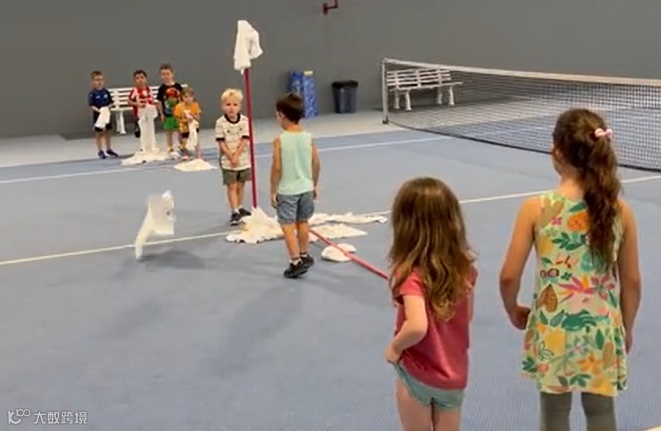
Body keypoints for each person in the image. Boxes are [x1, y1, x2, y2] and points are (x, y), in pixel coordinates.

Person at [499, 108, 641, 431]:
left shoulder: (535, 209)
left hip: (554, 328)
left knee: (554, 413)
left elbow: (508, 276)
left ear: (556, 152)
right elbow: (632, 281)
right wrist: (626, 327)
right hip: (600, 328)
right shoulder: (621, 212)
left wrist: (513, 309)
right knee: (601, 413)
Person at [384, 176, 476, 431]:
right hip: (453, 374)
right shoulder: (465, 270)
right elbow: (467, 316)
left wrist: (395, 347)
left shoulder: (410, 276)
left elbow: (417, 326)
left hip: (419, 372)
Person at [270, 93, 320, 279]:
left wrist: (273, 190)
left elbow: (277, 167)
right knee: (303, 221)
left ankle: (295, 261)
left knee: (288, 226)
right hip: (306, 188)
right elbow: (316, 163)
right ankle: (305, 254)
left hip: (288, 190)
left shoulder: (280, 140)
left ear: (282, 115)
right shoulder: (308, 137)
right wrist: (314, 184)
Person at [215, 89, 252, 225]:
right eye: (228, 104)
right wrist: (231, 157)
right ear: (223, 106)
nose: (231, 108)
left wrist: (237, 155)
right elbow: (221, 142)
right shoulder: (220, 123)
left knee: (241, 185)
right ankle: (234, 211)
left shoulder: (244, 121)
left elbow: (245, 139)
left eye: (235, 105)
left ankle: (240, 206)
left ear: (239, 106)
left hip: (243, 159)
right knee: (232, 186)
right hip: (227, 161)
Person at [87, 71, 119, 159]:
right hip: (98, 115)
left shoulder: (106, 92)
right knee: (98, 132)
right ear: (93, 82)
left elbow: (111, 102)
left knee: (108, 131)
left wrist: (107, 108)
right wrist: (99, 111)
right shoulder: (92, 93)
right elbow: (91, 105)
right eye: (97, 80)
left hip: (106, 114)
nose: (99, 82)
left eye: (101, 80)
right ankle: (100, 150)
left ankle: (108, 148)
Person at [156, 64, 184, 155]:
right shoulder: (161, 89)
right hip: (168, 113)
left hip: (178, 113)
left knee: (180, 130)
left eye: (167, 74)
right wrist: (161, 114)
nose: (166, 76)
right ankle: (170, 147)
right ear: (161, 76)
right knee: (169, 131)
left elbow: (183, 98)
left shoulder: (178, 86)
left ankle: (182, 145)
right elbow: (159, 102)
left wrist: (184, 110)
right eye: (163, 74)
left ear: (172, 74)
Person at [173, 87, 202, 160]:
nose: (188, 99)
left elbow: (198, 118)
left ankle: (198, 155)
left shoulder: (195, 105)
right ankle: (187, 154)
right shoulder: (179, 107)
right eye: (186, 97)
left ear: (193, 97)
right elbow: (177, 119)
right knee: (184, 141)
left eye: (190, 96)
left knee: (195, 139)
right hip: (184, 127)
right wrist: (185, 120)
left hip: (193, 126)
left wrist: (192, 115)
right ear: (182, 97)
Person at [127, 70, 154, 140]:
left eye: (142, 77)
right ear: (135, 80)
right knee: (141, 132)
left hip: (148, 113)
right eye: (137, 78)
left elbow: (152, 99)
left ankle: (150, 143)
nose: (140, 80)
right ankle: (142, 144)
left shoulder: (148, 90)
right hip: (139, 115)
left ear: (145, 79)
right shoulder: (135, 91)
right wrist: (137, 104)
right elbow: (129, 101)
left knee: (149, 131)